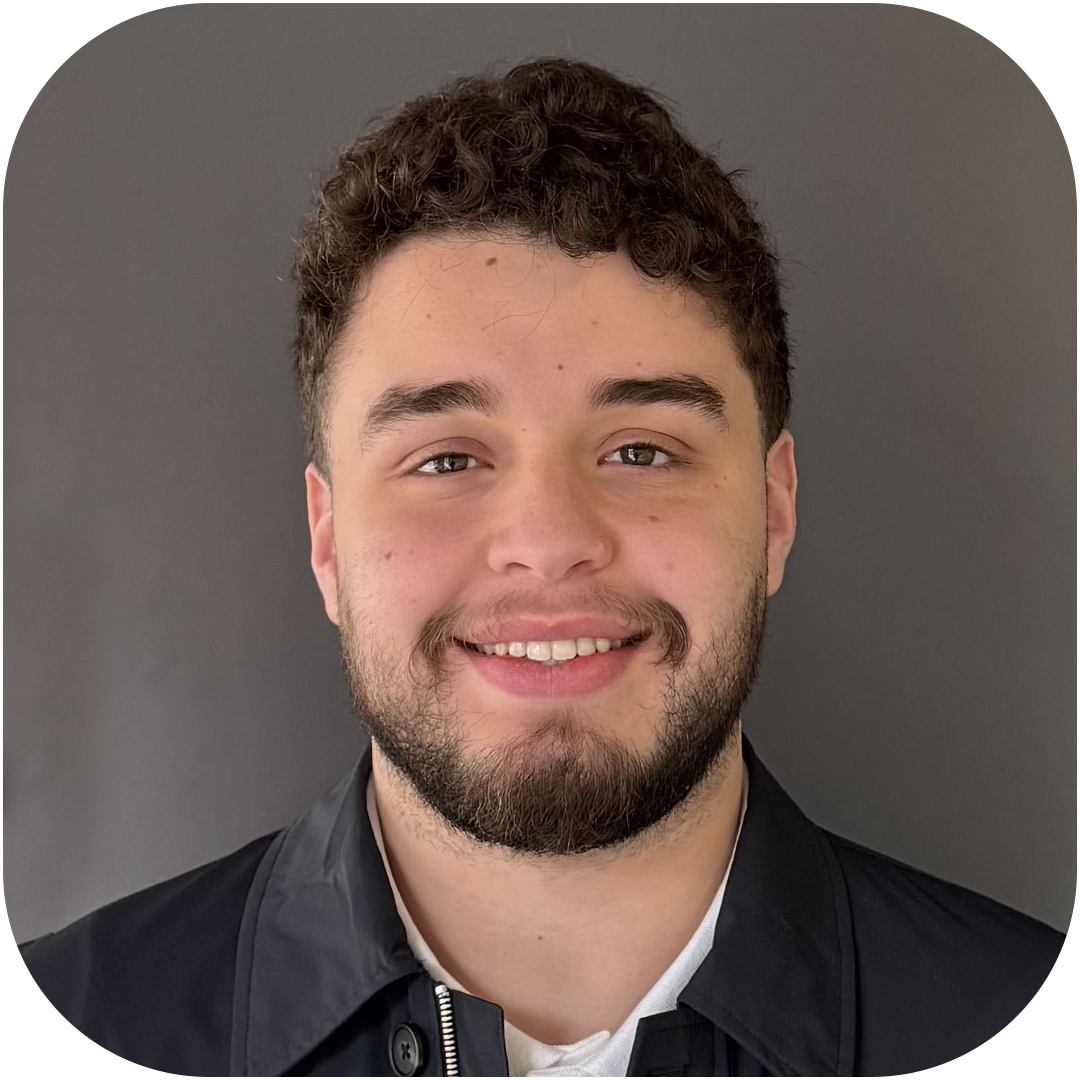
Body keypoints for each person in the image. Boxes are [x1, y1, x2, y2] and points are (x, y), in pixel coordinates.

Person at [4, 56, 1074, 1078]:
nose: (551, 540)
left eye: (641, 451)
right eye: (447, 458)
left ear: (775, 509)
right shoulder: (43, 1042)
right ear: (327, 541)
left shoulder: (1048, 1039)